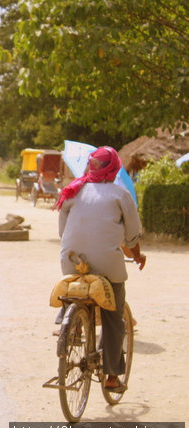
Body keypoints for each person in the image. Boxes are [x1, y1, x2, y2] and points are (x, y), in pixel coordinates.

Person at [56, 146, 145, 392]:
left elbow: (63, 232)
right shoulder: (120, 194)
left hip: (71, 260)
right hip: (108, 265)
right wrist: (137, 256)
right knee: (113, 317)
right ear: (114, 166)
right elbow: (132, 236)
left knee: (73, 285)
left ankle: (69, 320)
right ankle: (112, 377)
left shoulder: (72, 190)